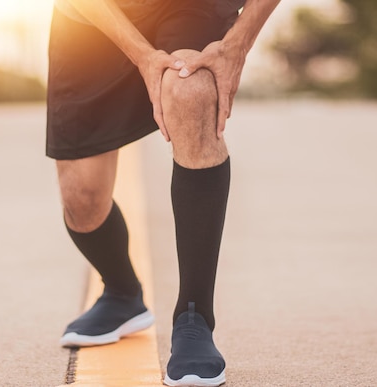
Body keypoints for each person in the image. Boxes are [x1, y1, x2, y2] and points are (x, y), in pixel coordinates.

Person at [47, 0, 280, 385]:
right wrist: (142, 55)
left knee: (191, 92)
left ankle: (194, 318)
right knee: (82, 200)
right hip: (91, 18)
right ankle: (122, 293)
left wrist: (238, 41)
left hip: (192, 6)